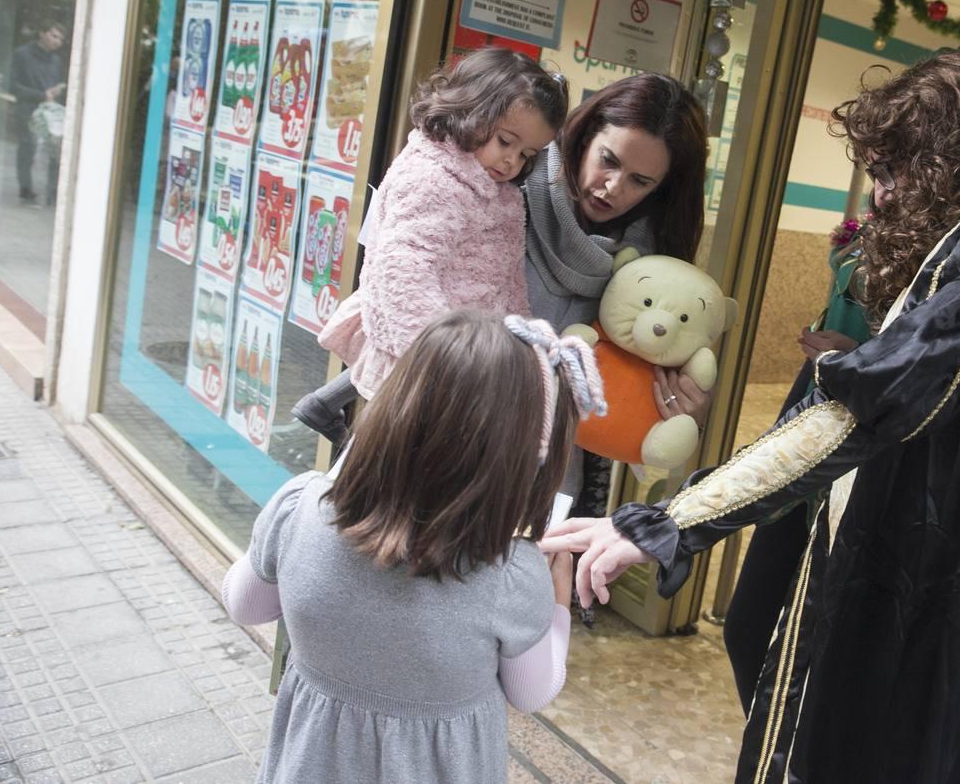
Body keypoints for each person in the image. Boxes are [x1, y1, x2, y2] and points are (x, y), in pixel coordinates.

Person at [542, 52, 960, 782]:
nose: (882, 199)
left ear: (947, 163)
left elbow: (868, 405)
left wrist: (669, 522)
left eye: (892, 175)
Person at [223, 311, 606, 783]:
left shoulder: (299, 506)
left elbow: (245, 605)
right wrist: (557, 603)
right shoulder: (511, 576)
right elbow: (532, 691)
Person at [295, 48, 568, 443]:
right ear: (471, 110)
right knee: (394, 466)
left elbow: (509, 282)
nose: (511, 161)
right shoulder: (434, 178)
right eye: (506, 141)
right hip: (428, 366)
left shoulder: (496, 191)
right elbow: (403, 271)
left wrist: (521, 348)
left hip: (466, 364)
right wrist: (442, 358)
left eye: (526, 154)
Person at [522, 74, 710, 544]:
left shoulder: (650, 269)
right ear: (585, 135)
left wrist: (684, 408)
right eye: (608, 160)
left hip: (547, 477)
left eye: (639, 181)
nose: (611, 187)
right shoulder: (514, 186)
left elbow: (638, 394)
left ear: (662, 188)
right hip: (451, 430)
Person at [723, 216, 872, 709]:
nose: (882, 189)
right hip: (810, 442)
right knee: (749, 629)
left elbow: (928, 371)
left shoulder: (952, 248)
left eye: (892, 171)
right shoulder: (875, 228)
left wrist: (862, 359)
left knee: (825, 665)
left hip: (865, 469)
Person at [9, 22, 67, 204]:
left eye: (60, 39)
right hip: (27, 109)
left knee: (55, 152)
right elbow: (11, 85)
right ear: (42, 33)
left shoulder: (56, 60)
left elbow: (55, 86)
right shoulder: (22, 54)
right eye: (54, 35)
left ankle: (53, 193)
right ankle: (25, 189)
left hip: (50, 112)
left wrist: (59, 89)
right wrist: (41, 94)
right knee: (28, 148)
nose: (57, 41)